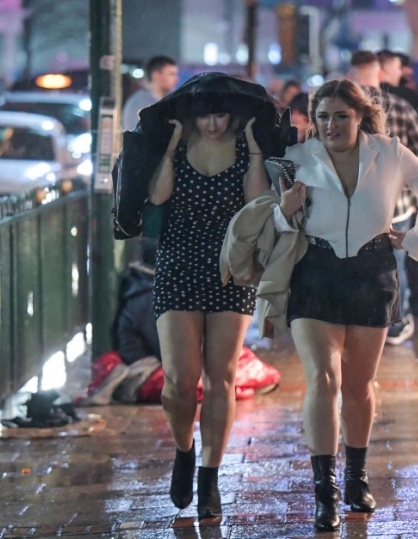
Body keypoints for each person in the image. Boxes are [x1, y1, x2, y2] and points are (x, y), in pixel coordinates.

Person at [275, 79, 418, 530]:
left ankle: (356, 475)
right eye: (323, 117)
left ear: (359, 116)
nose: (331, 125)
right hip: (314, 270)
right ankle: (324, 490)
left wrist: (414, 240)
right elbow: (269, 214)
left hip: (373, 272)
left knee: (358, 384)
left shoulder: (387, 151)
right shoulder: (296, 158)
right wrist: (283, 208)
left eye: (341, 116)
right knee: (323, 377)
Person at [145, 74, 276, 519]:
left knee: (221, 377)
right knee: (180, 380)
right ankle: (184, 449)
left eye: (220, 114)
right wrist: (169, 146)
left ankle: (209, 476)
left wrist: (255, 150)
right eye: (205, 114)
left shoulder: (243, 147)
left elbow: (258, 202)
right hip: (177, 265)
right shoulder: (179, 145)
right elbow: (158, 195)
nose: (213, 123)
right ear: (191, 114)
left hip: (231, 269)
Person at [349, 49, 418, 346]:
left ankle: (360, 318)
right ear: (379, 73)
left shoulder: (343, 110)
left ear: (352, 75)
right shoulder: (401, 106)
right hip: (398, 204)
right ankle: (394, 321)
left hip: (354, 204)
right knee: (395, 262)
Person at [122, 55, 179, 131]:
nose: (176, 79)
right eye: (171, 74)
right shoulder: (143, 102)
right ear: (156, 75)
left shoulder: (153, 100)